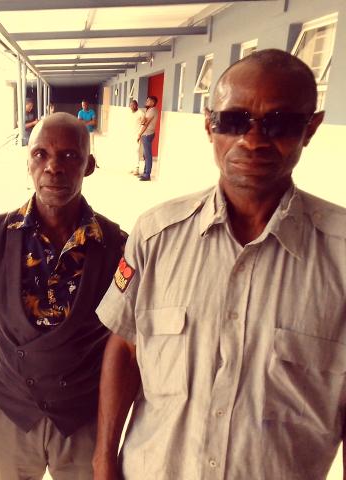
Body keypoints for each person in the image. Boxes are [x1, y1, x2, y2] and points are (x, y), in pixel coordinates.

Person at [92, 49, 346, 480]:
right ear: (210, 125)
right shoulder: (155, 235)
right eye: (234, 120)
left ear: (311, 128)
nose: (254, 139)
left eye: (279, 123)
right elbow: (124, 347)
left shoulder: (340, 256)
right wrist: (104, 462)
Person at [0, 113, 127, 480]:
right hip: (11, 412)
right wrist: (22, 366)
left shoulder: (117, 246)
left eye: (69, 156)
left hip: (83, 417)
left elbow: (122, 338)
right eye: (41, 155)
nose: (53, 168)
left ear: (90, 165)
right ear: (28, 162)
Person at [137, 96, 158, 181]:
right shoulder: (149, 110)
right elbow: (143, 121)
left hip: (147, 134)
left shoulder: (152, 111)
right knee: (146, 154)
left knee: (148, 155)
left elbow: (145, 124)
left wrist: (139, 134)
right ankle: (145, 172)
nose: (146, 101)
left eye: (148, 100)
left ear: (153, 103)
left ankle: (147, 175)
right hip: (147, 134)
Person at [129, 100, 145, 175]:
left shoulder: (141, 113)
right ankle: (133, 167)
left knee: (136, 151)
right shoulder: (130, 113)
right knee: (131, 151)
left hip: (137, 135)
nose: (131, 107)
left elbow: (143, 124)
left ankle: (137, 168)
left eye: (133, 105)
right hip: (131, 135)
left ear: (137, 105)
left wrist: (139, 134)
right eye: (130, 105)